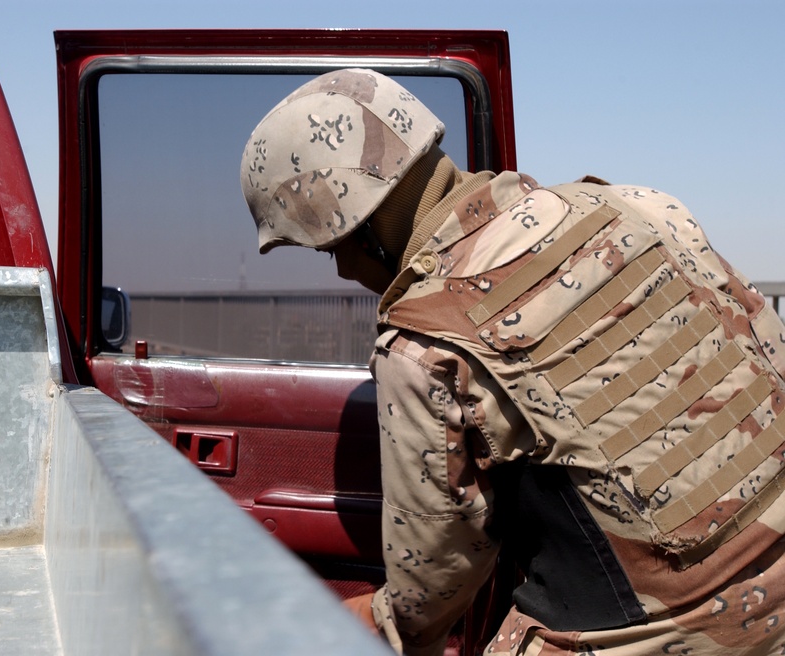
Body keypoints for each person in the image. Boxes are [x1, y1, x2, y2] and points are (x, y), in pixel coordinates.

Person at [240, 68, 785, 656]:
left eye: (329, 250)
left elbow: (430, 591)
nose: (345, 272)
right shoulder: (640, 207)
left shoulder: (423, 347)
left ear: (363, 227)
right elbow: (768, 351)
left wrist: (359, 624)